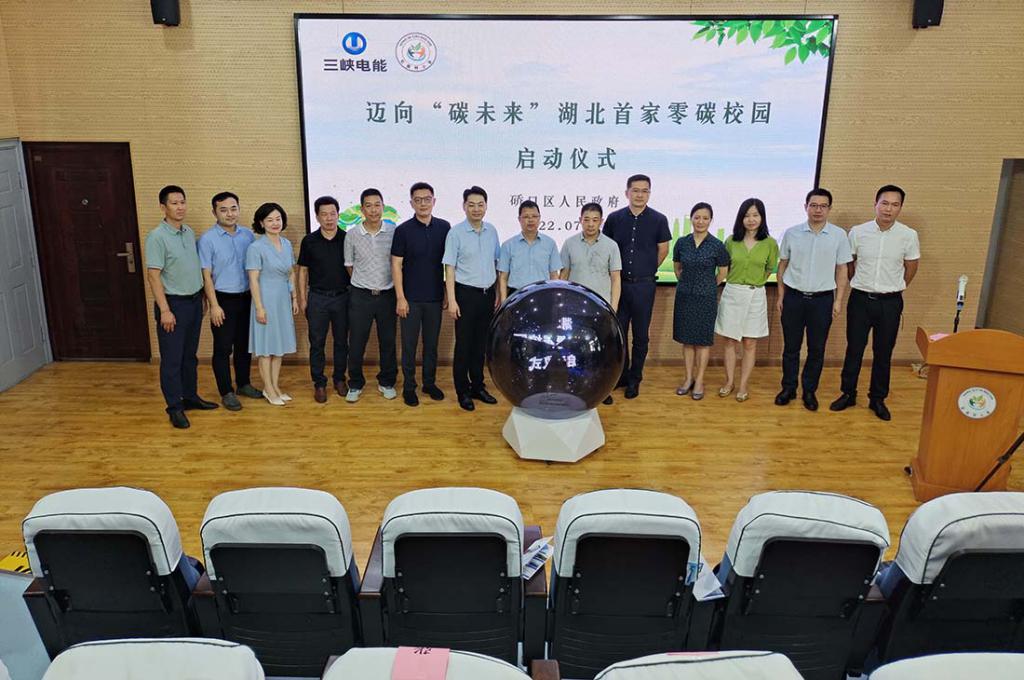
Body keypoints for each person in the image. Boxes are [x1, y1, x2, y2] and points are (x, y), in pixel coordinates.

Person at [830, 185, 920, 421]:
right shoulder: (858, 232)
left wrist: (897, 286)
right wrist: (857, 281)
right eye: (884, 203)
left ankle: (877, 399)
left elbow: (911, 266)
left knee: (883, 351)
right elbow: (849, 263)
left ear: (900, 207)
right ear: (875, 204)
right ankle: (848, 393)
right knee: (854, 348)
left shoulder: (908, 235)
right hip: (860, 299)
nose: (888, 209)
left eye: (895, 204)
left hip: (890, 302)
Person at [145, 185, 218, 429]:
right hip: (173, 305)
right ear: (163, 207)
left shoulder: (188, 232)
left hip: (194, 302)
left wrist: (203, 297)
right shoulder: (157, 237)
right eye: (174, 203)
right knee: (172, 360)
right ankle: (174, 408)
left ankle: (190, 397)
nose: (180, 207)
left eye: (182, 202)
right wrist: (165, 310)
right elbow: (153, 276)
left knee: (189, 356)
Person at [775, 189, 852, 411]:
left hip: (822, 300)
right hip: (794, 298)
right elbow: (782, 265)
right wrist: (781, 295)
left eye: (823, 206)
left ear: (829, 208)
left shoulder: (838, 235)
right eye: (813, 205)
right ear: (805, 206)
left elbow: (842, 269)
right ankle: (788, 388)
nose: (818, 210)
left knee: (816, 349)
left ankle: (809, 391)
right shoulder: (792, 233)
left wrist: (838, 300)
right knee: (791, 347)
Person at [602, 174, 672, 399]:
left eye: (644, 191)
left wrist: (646, 269)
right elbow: (606, 248)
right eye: (635, 190)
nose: (640, 195)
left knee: (641, 336)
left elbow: (663, 250)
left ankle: (635, 379)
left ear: (649, 193)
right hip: (619, 286)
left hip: (644, 287)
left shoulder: (659, 219)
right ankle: (620, 376)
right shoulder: (614, 218)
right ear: (627, 193)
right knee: (619, 334)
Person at [197, 191, 262, 411]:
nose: (229, 213)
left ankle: (243, 384)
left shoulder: (247, 235)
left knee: (244, 345)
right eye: (223, 210)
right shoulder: (207, 239)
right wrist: (214, 305)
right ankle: (226, 391)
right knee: (223, 348)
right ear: (214, 212)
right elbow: (206, 275)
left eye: (233, 208)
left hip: (246, 297)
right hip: (223, 299)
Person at [442, 186, 501, 412]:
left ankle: (478, 386)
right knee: (464, 346)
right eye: (471, 205)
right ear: (464, 206)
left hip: (487, 295)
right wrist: (452, 300)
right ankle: (462, 391)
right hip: (465, 295)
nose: (476, 209)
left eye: (480, 205)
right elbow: (450, 268)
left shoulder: (492, 231)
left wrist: (497, 293)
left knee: (480, 345)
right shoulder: (455, 233)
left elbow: (496, 263)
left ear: (486, 206)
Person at [392, 182, 451, 407]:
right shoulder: (403, 230)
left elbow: (448, 264)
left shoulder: (444, 228)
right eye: (418, 200)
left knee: (431, 345)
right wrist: (400, 297)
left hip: (435, 298)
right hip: (410, 299)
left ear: (434, 201)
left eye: (427, 199)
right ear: (411, 203)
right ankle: (409, 387)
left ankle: (429, 383)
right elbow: (396, 265)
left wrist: (446, 292)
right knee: (409, 346)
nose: (423, 204)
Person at [715, 198, 779, 402]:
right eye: (747, 215)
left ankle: (743, 385)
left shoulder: (770, 243)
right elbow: (724, 268)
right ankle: (729, 382)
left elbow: (769, 268)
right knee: (730, 341)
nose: (751, 219)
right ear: (740, 218)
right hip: (732, 293)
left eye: (755, 215)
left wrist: (756, 281)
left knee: (750, 343)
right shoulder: (731, 241)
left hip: (755, 295)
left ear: (762, 217)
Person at [560, 202, 622, 405]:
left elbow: (615, 278)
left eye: (595, 220)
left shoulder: (611, 245)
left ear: (601, 221)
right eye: (586, 219)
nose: (590, 224)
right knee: (574, 350)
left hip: (601, 308)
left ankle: (601, 390)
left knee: (600, 351)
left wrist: (613, 307)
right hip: (574, 308)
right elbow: (563, 275)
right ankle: (575, 386)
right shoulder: (569, 244)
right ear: (580, 220)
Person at [344, 188, 398, 403]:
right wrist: (365, 283)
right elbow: (349, 265)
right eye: (369, 205)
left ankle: (387, 382)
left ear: (383, 207)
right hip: (361, 295)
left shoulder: (394, 232)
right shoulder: (352, 234)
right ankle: (355, 383)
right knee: (357, 342)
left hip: (387, 295)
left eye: (377, 205)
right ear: (362, 209)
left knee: (388, 341)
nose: (373, 210)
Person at [672, 202, 730, 401]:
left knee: (703, 342)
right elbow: (677, 267)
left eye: (705, 218)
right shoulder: (682, 243)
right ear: (691, 219)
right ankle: (688, 378)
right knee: (687, 341)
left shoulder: (717, 245)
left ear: (711, 220)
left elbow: (723, 272)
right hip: (685, 297)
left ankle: (699, 381)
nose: (700, 221)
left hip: (706, 299)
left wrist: (708, 285)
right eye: (697, 217)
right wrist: (687, 283)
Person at [297, 196, 350, 404]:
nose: (329, 218)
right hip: (317, 298)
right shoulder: (309, 241)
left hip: (342, 297)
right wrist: (303, 299)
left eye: (332, 214)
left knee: (341, 341)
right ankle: (319, 383)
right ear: (317, 217)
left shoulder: (348, 238)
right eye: (324, 214)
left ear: (338, 214)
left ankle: (339, 379)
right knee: (317, 343)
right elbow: (303, 271)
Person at [246, 202, 297, 406]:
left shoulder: (286, 244)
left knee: (278, 347)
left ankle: (275, 387)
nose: (275, 223)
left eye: (278, 219)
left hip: (282, 300)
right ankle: (268, 388)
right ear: (261, 223)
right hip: (265, 300)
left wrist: (294, 297)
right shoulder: (256, 247)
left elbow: (291, 272)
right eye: (270, 220)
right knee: (266, 349)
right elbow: (253, 280)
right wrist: (259, 307)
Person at [497, 200, 561, 302]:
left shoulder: (550, 244)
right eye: (526, 217)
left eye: (534, 216)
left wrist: (555, 300)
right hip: (516, 296)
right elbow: (503, 277)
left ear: (539, 218)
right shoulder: (508, 245)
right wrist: (504, 303)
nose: (531, 220)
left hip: (543, 294)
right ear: (519, 219)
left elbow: (554, 275)